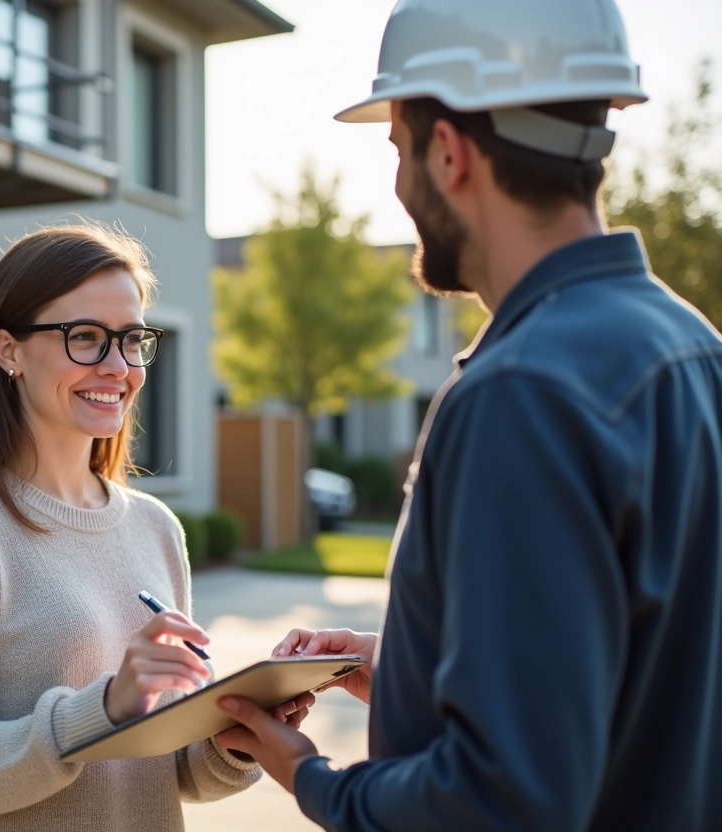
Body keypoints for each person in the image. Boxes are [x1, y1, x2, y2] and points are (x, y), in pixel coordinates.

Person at [215, 1, 722, 830]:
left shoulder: (520, 392)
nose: (397, 186)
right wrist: (415, 672)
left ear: (447, 152)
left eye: (397, 149)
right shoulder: (693, 349)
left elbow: (497, 801)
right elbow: (643, 680)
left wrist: (312, 778)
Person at [0, 224, 299, 832]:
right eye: (85, 338)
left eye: (132, 340)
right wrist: (100, 708)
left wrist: (236, 734)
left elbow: (164, 768)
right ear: (8, 351)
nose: (117, 366)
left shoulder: (156, 527)